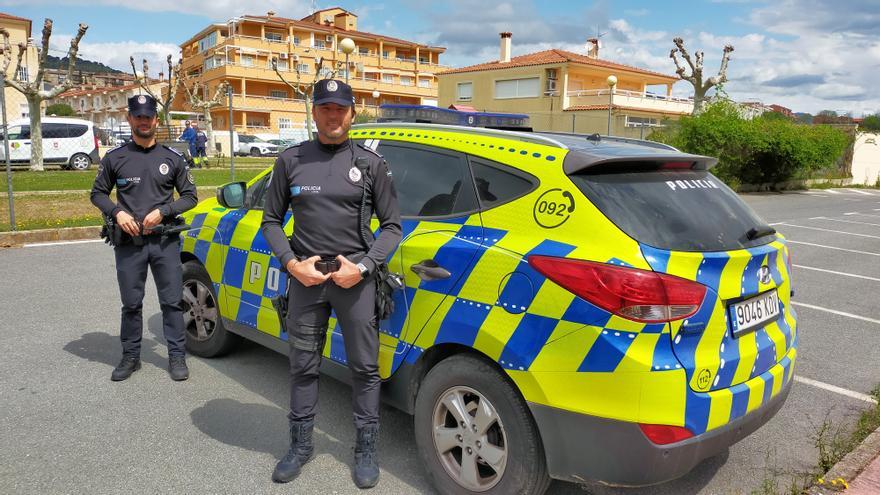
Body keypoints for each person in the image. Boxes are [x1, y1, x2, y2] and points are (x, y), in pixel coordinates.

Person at [261, 79, 401, 489]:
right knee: (302, 366)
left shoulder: (371, 164)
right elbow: (271, 220)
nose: (332, 115)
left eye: (340, 108)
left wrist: (363, 268)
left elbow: (393, 226)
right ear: (315, 112)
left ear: (352, 113)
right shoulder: (291, 161)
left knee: (364, 369)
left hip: (354, 281)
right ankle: (300, 446)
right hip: (306, 281)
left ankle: (365, 449)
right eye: (324, 108)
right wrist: (290, 264)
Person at [91, 94, 198, 382]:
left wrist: (164, 211)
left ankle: (176, 356)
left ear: (156, 120)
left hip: (164, 242)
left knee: (172, 302)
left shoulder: (172, 158)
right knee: (131, 304)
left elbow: (190, 198)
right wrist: (117, 214)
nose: (143, 121)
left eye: (148, 117)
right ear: (129, 119)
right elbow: (97, 194)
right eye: (137, 116)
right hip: (129, 244)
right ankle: (130, 357)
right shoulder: (116, 158)